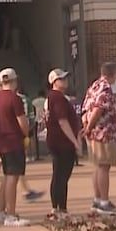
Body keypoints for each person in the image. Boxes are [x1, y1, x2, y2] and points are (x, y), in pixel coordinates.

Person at [0, 68, 31, 227]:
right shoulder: (15, 98)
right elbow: (22, 122)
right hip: (14, 140)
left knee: (6, 176)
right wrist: (26, 134)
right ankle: (11, 215)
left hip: (1, 140)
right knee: (13, 177)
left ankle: (1, 212)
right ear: (14, 81)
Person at [82, 61, 116, 215]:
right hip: (105, 133)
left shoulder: (94, 86)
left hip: (95, 133)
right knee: (104, 167)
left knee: (98, 166)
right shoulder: (105, 88)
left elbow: (85, 109)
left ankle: (98, 199)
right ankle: (104, 202)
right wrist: (90, 126)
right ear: (113, 74)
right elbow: (98, 109)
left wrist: (87, 126)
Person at [44, 68, 81, 218]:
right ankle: (58, 208)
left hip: (56, 141)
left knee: (60, 174)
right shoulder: (57, 98)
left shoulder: (52, 97)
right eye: (61, 79)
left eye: (65, 78)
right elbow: (62, 121)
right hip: (62, 142)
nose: (65, 81)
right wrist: (75, 141)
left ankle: (59, 207)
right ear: (54, 82)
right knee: (61, 175)